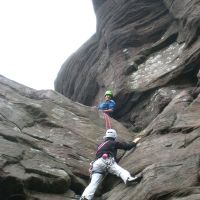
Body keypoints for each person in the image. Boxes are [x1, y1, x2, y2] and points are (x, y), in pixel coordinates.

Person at [80, 129, 142, 200]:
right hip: (106, 161)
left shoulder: (100, 145)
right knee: (120, 171)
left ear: (106, 136)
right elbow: (127, 147)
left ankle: (85, 197)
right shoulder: (113, 142)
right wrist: (134, 142)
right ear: (114, 136)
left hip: (96, 164)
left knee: (93, 183)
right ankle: (128, 178)